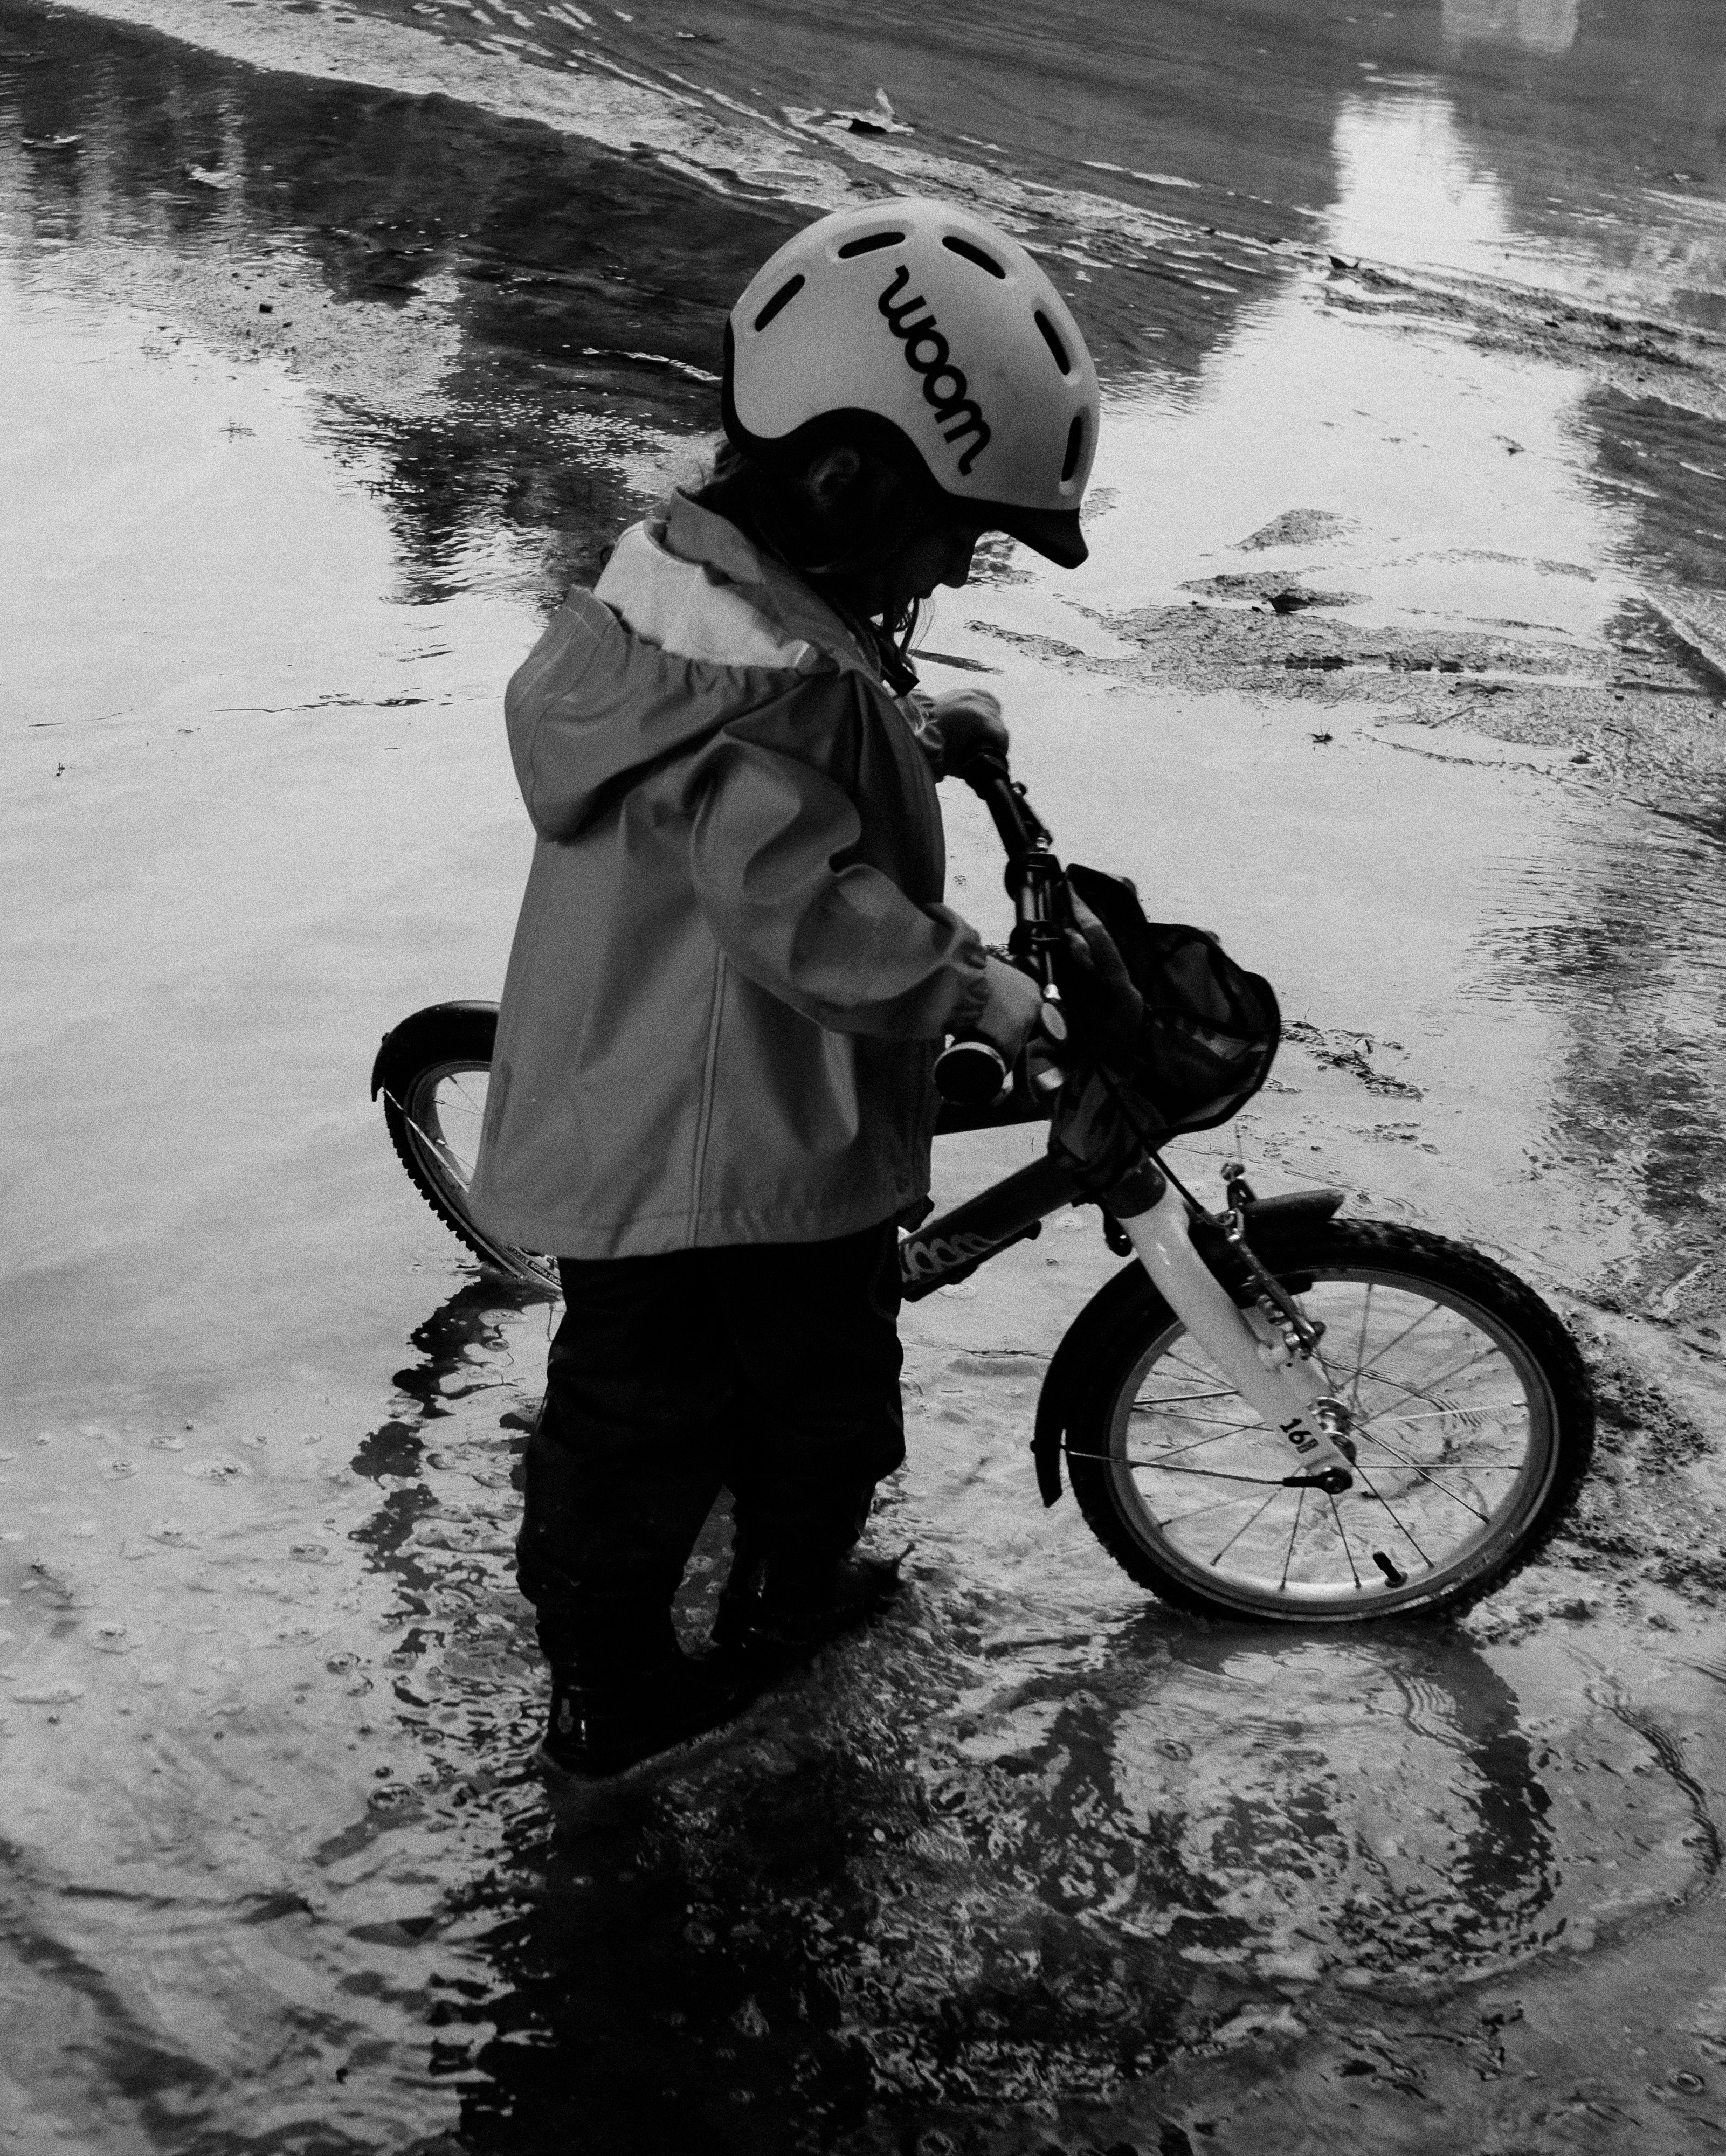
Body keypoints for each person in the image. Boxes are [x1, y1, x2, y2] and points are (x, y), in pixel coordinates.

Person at [467, 195, 1129, 1788]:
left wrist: (919, 723)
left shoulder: (728, 601)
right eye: (954, 537)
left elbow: (818, 692)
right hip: (693, 1159)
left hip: (762, 1139)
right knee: (639, 1444)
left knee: (828, 1409)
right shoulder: (745, 702)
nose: (958, 569)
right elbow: (803, 911)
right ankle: (612, 1696)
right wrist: (978, 991)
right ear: (844, 483)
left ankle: (788, 1598)